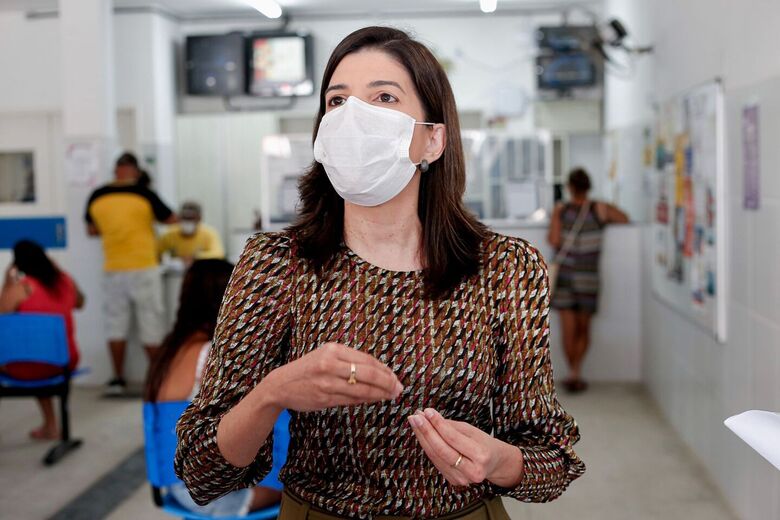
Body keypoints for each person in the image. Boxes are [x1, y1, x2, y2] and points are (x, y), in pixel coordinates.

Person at [175, 27, 584, 519]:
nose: (354, 119)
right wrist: (273, 392)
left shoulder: (505, 268)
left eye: (384, 97)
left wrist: (499, 460)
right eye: (337, 101)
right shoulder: (275, 264)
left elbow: (553, 460)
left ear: (432, 139)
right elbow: (201, 470)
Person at [145, 259, 281, 516]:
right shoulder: (211, 355)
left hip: (175, 485)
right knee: (299, 485)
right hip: (208, 493)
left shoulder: (168, 351)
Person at [85, 152, 176, 395]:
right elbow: (171, 219)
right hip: (143, 266)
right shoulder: (144, 193)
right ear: (134, 171)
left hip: (113, 268)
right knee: (151, 324)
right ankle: (157, 382)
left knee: (115, 325)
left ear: (116, 170)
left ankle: (117, 379)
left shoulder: (97, 195)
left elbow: (92, 230)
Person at [547, 168, 629, 393]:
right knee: (584, 328)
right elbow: (625, 219)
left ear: (569, 187)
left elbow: (553, 240)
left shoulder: (562, 211)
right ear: (588, 186)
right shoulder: (599, 208)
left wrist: (556, 214)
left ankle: (573, 373)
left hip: (565, 276)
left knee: (568, 330)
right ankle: (576, 372)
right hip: (589, 277)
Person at [0, 240, 84, 440]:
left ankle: (51, 425)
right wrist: (60, 270)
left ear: (18, 264)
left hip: (28, 367)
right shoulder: (65, 282)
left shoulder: (22, 288)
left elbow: (2, 316)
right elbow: (80, 302)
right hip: (65, 362)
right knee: (41, 353)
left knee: (31, 355)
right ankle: (51, 426)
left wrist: (7, 281)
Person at [158, 201, 225, 264]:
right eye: (184, 218)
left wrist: (195, 257)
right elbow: (156, 252)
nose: (187, 221)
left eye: (191, 218)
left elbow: (218, 254)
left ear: (199, 219)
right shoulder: (169, 234)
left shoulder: (209, 233)